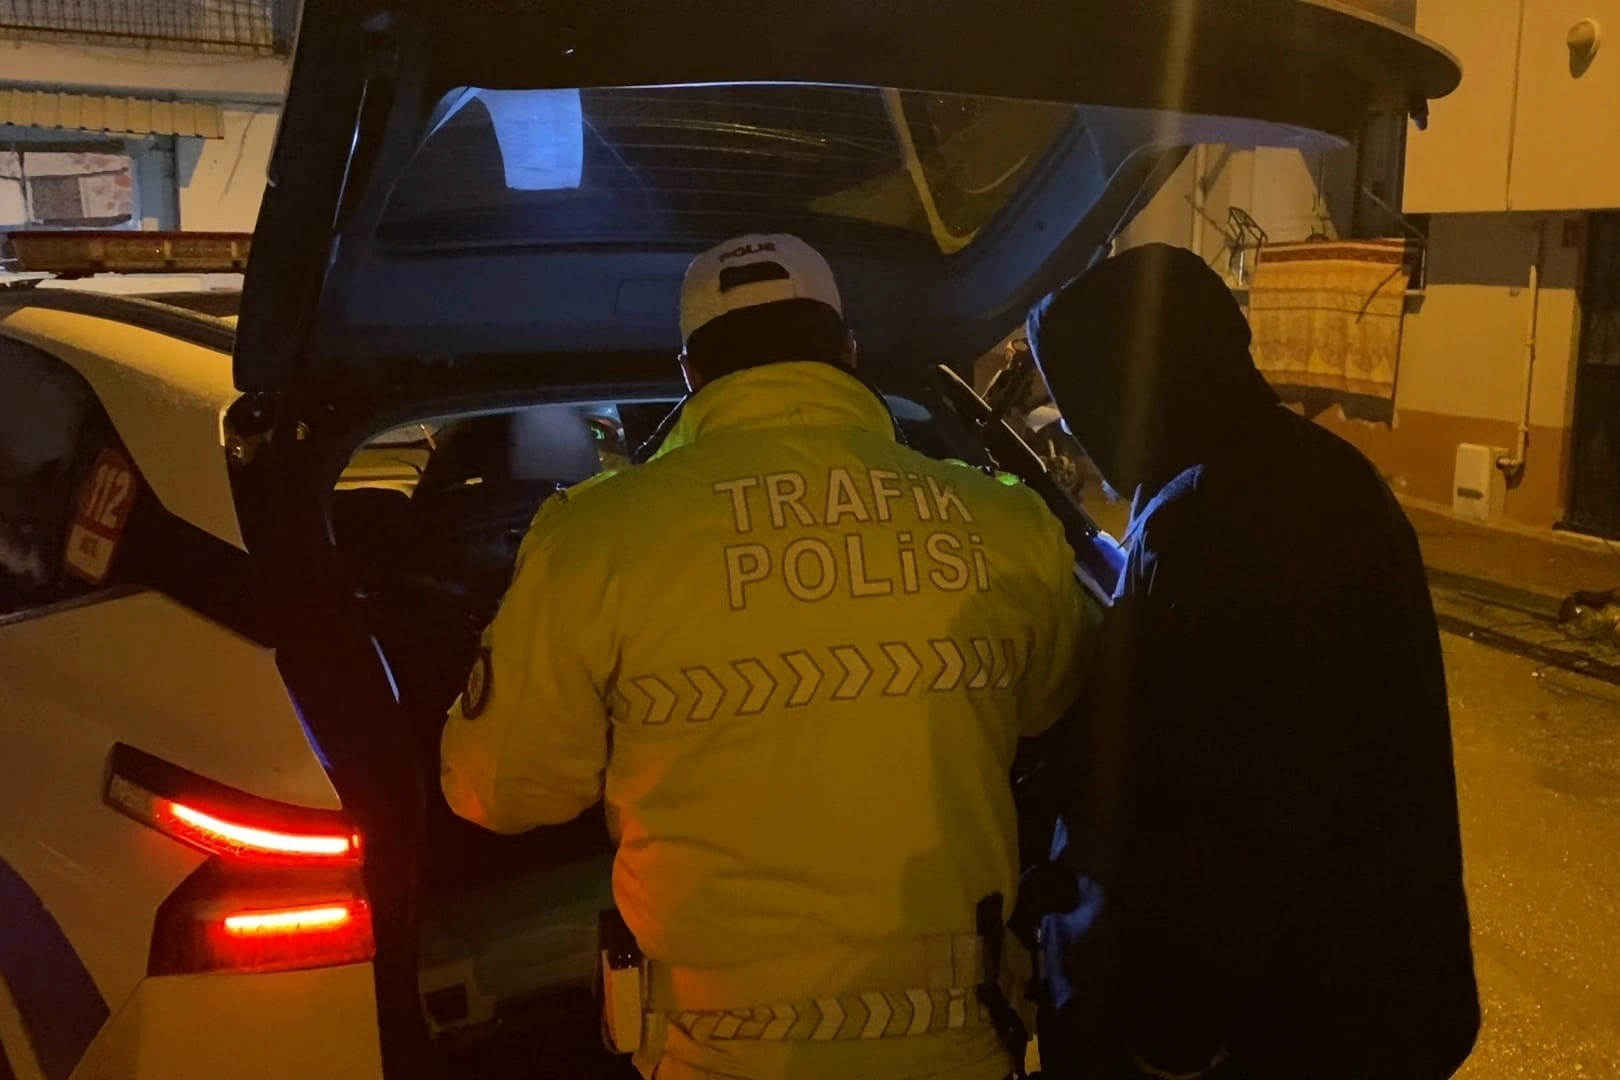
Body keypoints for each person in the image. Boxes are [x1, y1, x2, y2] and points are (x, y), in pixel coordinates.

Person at [441, 233, 1099, 1080]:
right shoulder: (1003, 523)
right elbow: (1059, 706)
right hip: (958, 1043)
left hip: (718, 1053)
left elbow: (498, 789)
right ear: (846, 352)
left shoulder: (594, 541)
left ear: (690, 373)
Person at [1023, 243, 1479, 1080]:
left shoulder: (1212, 518)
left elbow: (1237, 809)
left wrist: (1170, 1034)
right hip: (1379, 999)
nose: (1081, 437)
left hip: (1287, 1028)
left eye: (1081, 400)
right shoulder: (1312, 469)